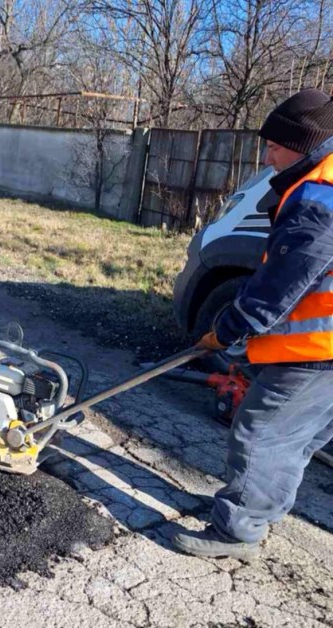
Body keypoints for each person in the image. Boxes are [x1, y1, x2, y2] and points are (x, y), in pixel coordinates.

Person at [173, 88, 333, 560]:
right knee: (293, 441)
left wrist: (227, 328)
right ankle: (256, 510)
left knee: (260, 433)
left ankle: (237, 531)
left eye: (274, 145)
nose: (267, 155)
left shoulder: (318, 197)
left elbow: (280, 285)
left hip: (314, 352)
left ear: (303, 144)